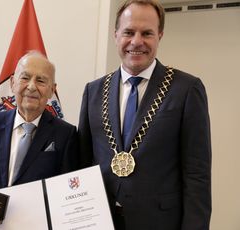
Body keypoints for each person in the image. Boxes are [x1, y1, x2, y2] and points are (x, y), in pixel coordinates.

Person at [78, 1, 211, 230]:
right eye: (129, 32)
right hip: (100, 220)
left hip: (160, 222)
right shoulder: (94, 91)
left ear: (159, 35)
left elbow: (197, 175)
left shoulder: (187, 89)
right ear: (116, 34)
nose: (136, 41)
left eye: (147, 33)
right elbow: (81, 163)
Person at [0, 51, 79, 230]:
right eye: (25, 78)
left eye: (41, 80)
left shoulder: (66, 134)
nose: (32, 87)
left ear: (52, 90)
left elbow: (68, 192)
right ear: (12, 83)